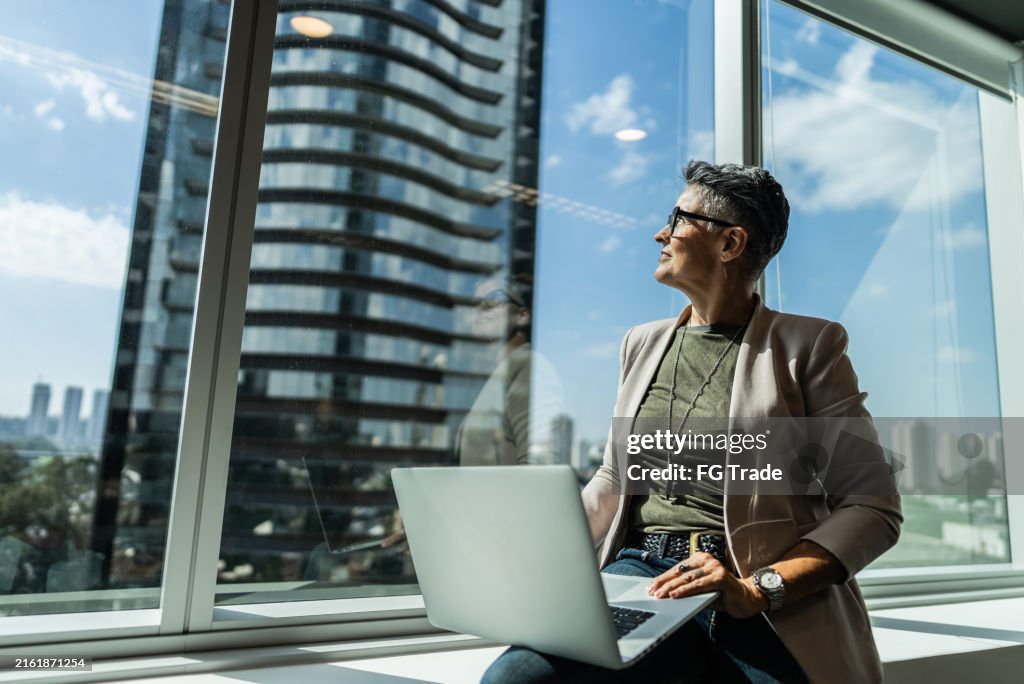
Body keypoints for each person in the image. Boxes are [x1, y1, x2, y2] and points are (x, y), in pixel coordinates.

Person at [481, 161, 902, 684]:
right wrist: (533, 551)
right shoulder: (641, 343)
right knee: (518, 678)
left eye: (678, 218)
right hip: (644, 574)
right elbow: (614, 481)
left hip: (754, 587)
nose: (661, 232)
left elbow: (871, 505)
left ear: (730, 244)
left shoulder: (810, 346)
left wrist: (758, 589)